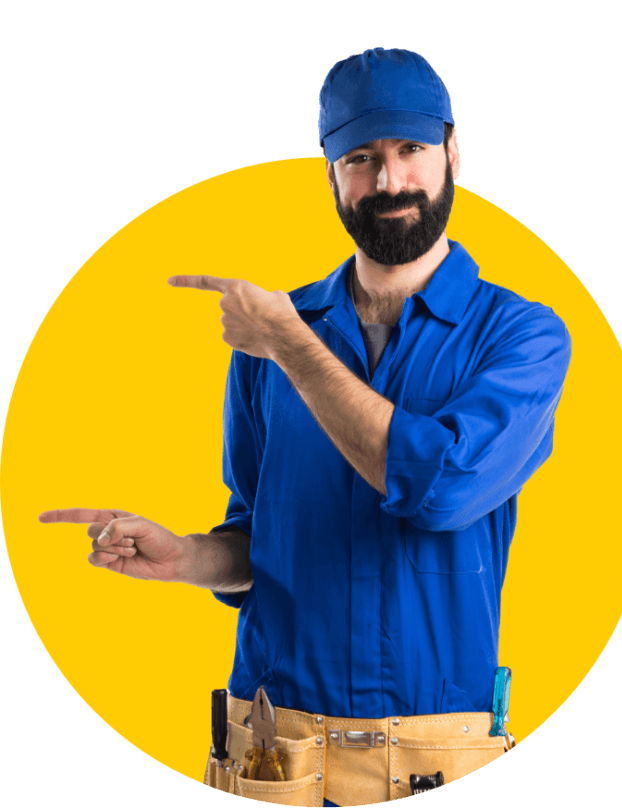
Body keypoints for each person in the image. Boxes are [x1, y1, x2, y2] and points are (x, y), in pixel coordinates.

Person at [39, 49, 571, 804]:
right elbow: (258, 541)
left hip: (435, 756)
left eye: (410, 151)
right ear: (331, 174)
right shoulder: (273, 337)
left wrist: (291, 344)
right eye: (360, 157)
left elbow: (440, 487)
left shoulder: (518, 337)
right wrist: (189, 556)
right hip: (274, 757)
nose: (388, 182)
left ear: (452, 151)